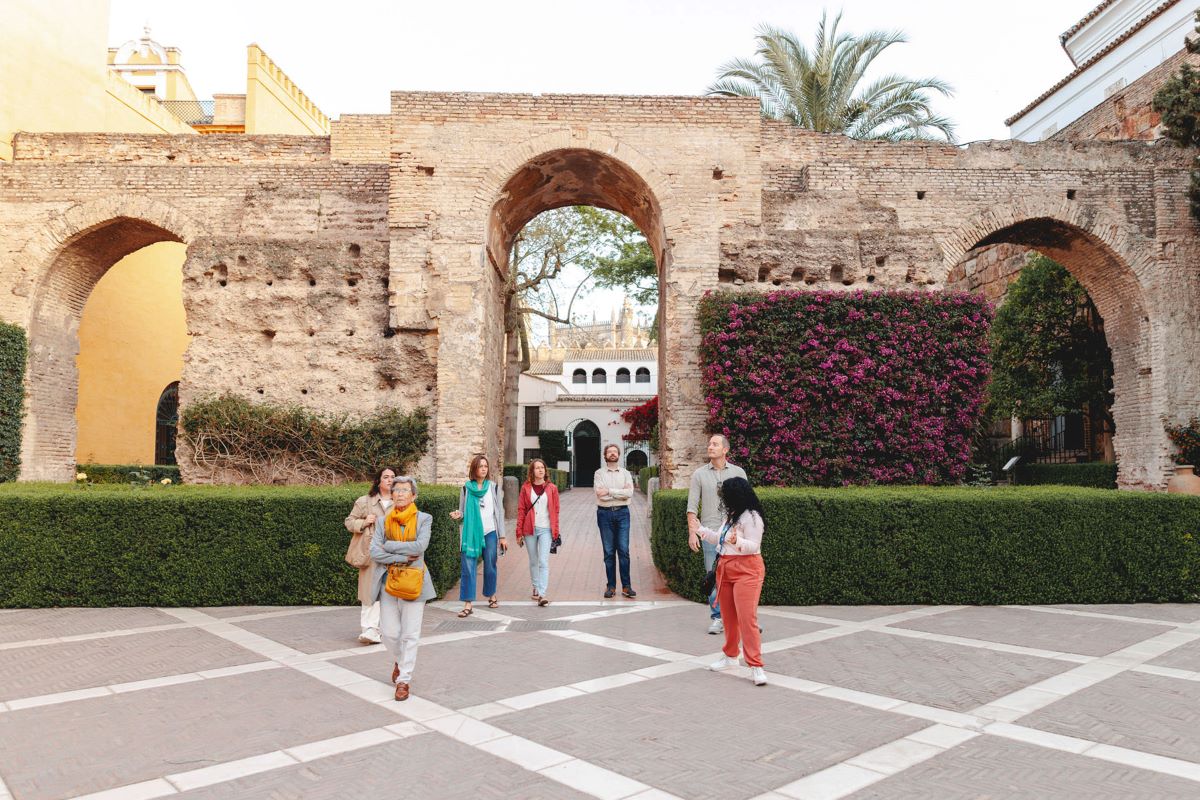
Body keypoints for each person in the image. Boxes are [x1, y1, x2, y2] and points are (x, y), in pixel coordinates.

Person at [369, 475, 435, 701]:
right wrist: (401, 555)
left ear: (413, 495)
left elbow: (421, 546)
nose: (399, 494)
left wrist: (390, 546)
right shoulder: (382, 522)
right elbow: (375, 552)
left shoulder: (424, 519)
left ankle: (404, 679)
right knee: (389, 633)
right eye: (396, 490)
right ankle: (400, 659)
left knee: (410, 634)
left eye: (405, 490)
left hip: (414, 581)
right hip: (389, 579)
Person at [698, 476, 767, 686]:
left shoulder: (752, 517)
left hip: (747, 569)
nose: (723, 498)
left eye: (725, 494)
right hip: (726, 569)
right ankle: (730, 656)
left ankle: (756, 666)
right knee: (729, 617)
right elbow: (720, 540)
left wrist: (737, 541)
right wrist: (700, 530)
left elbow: (753, 546)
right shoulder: (732, 516)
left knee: (747, 618)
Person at [687, 435, 748, 635]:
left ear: (725, 450)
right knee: (714, 578)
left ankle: (743, 618)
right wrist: (692, 533)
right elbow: (692, 506)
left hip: (734, 535)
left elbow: (747, 503)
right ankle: (717, 618)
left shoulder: (738, 472)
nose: (710, 447)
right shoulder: (699, 474)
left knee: (739, 578)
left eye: (715, 444)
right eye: (709, 444)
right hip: (710, 533)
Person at [450, 454, 506, 617]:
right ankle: (468, 603)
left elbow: (499, 512)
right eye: (480, 466)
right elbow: (462, 512)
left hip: (490, 531)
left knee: (490, 565)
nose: (483, 469)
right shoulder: (466, 488)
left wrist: (502, 535)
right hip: (471, 533)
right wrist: (457, 514)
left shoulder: (493, 487)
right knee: (468, 567)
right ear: (474, 469)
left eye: (485, 466)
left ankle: (491, 594)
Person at [344, 467, 395, 643]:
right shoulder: (365, 501)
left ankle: (386, 628)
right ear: (378, 481)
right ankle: (369, 629)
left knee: (391, 592)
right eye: (386, 477)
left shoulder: (402, 502)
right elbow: (349, 522)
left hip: (394, 554)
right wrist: (364, 521)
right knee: (369, 592)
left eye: (393, 477)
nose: (390, 480)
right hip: (371, 553)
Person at [516, 457, 561, 606]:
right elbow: (521, 510)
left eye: (542, 467)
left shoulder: (552, 488)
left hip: (546, 529)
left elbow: (556, 511)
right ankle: (535, 586)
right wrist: (518, 532)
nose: (540, 470)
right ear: (532, 471)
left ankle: (542, 593)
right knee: (533, 560)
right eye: (537, 468)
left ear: (545, 470)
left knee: (543, 561)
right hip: (529, 529)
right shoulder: (526, 488)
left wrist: (555, 530)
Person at [594, 443, 636, 599]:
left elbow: (629, 493)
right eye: (609, 452)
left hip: (623, 513)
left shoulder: (625, 473)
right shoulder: (599, 473)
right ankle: (611, 586)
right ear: (605, 456)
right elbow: (600, 494)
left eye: (614, 452)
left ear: (619, 455)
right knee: (609, 552)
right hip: (604, 514)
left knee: (624, 550)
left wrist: (610, 491)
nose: (612, 454)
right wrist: (620, 492)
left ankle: (626, 586)